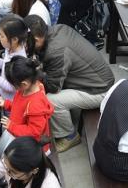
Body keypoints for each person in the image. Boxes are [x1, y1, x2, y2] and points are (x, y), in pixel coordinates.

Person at [24, 17, 114, 151]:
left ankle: (69, 136)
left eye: (26, 42)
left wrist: (36, 73)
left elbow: (53, 87)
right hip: (96, 79)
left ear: (36, 39)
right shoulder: (58, 29)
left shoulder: (56, 51)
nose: (25, 46)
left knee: (51, 100)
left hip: (100, 90)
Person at [0, 57, 53, 150]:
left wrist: (12, 126)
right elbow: (19, 106)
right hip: (17, 132)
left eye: (14, 85)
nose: (14, 87)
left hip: (27, 143)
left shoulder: (35, 105)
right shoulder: (26, 89)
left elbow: (34, 131)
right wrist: (6, 104)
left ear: (24, 84)